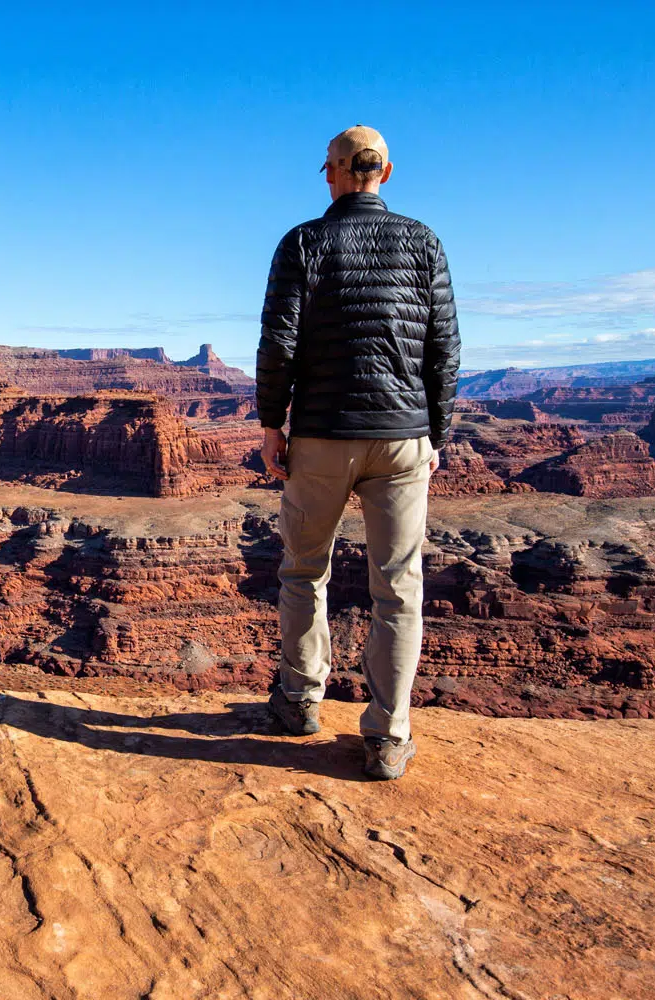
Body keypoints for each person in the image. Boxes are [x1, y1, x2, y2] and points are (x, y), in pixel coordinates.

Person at [255, 124, 460, 780]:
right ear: (386, 173)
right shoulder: (424, 241)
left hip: (320, 435)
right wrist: (437, 432)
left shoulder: (304, 242)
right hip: (403, 437)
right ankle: (388, 736)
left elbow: (278, 343)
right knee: (399, 588)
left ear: (333, 173)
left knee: (303, 570)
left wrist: (270, 426)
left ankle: (298, 699)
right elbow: (445, 348)